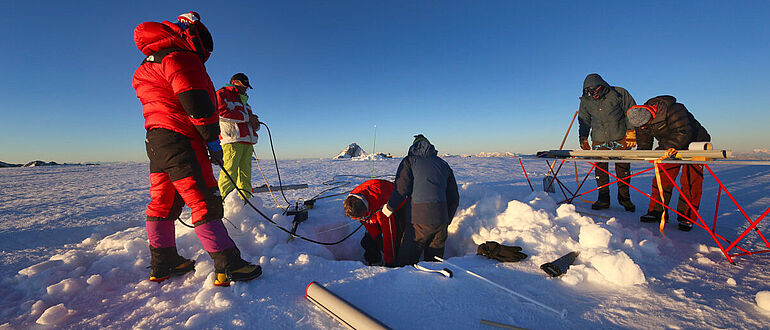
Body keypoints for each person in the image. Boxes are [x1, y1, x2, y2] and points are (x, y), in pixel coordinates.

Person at [132, 11, 261, 286]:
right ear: (193, 37)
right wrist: (212, 140)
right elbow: (196, 101)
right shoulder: (180, 58)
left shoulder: (146, 66)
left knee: (162, 202)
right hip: (182, 140)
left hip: (156, 142)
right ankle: (229, 264)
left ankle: (162, 262)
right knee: (204, 199)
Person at [627, 95, 711, 231]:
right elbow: (644, 140)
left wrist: (661, 151)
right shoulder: (640, 118)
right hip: (669, 146)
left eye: (644, 126)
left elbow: (683, 132)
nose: (642, 129)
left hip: (695, 143)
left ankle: (686, 217)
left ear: (650, 117)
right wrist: (643, 153)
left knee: (690, 182)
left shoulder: (674, 110)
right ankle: (657, 211)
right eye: (639, 127)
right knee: (662, 178)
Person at [381, 134, 460, 266]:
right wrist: (447, 218)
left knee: (406, 263)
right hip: (441, 221)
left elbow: (401, 190)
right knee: (435, 264)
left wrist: (388, 208)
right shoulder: (443, 164)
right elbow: (454, 197)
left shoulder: (409, 161)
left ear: (413, 147)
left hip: (418, 222)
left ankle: (406, 285)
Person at [578, 73, 638, 212]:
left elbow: (631, 111)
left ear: (602, 86)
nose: (594, 94)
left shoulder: (619, 93)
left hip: (620, 136)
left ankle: (625, 199)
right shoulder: (586, 101)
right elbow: (584, 120)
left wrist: (631, 131)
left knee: (622, 169)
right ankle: (603, 199)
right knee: (600, 169)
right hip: (599, 138)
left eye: (596, 91)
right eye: (590, 92)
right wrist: (583, 138)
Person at [216, 73, 259, 202]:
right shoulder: (222, 94)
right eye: (244, 85)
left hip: (247, 141)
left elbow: (249, 120)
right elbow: (220, 113)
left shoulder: (245, 102)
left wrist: (255, 123)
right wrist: (247, 118)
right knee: (229, 173)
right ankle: (224, 205)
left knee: (245, 176)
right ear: (234, 82)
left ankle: (246, 204)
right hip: (232, 140)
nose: (246, 88)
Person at [343, 179, 406, 267]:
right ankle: (374, 261)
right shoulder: (353, 203)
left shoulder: (381, 206)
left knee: (397, 241)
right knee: (368, 242)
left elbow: (390, 234)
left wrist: (390, 262)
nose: (358, 220)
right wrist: (376, 236)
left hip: (397, 203)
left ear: (365, 211)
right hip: (372, 207)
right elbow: (368, 223)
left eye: (360, 217)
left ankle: (398, 263)